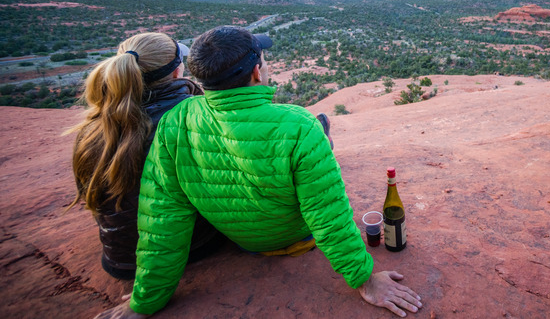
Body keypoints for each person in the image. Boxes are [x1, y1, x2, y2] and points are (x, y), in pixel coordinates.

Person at [95, 26, 422, 319]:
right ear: (257, 72)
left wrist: (145, 302)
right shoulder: (299, 125)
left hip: (241, 240)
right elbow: (328, 215)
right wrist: (365, 280)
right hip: (297, 237)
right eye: (264, 60)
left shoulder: (175, 121)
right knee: (317, 144)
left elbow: (163, 218)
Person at [69, 32, 222, 280]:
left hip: (121, 258)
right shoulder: (193, 116)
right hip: (193, 246)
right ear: (176, 72)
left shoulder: (94, 127)